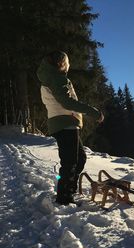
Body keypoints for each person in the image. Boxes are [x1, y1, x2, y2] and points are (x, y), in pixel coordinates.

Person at [37, 51, 104, 205]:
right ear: (61, 63)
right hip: (65, 124)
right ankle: (64, 198)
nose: (67, 66)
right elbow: (67, 102)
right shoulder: (56, 78)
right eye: (66, 62)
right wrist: (93, 112)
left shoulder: (50, 78)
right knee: (70, 162)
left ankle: (69, 189)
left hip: (64, 124)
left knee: (79, 158)